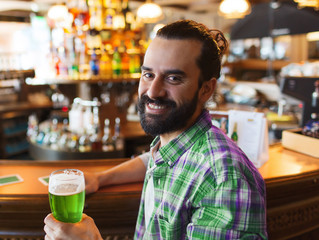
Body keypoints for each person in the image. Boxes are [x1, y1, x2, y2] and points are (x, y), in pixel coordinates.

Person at [44, 19, 267, 239]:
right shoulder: (175, 146)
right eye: (148, 75)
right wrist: (101, 178)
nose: (153, 91)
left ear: (206, 89)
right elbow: (154, 160)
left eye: (173, 78)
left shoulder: (225, 178)